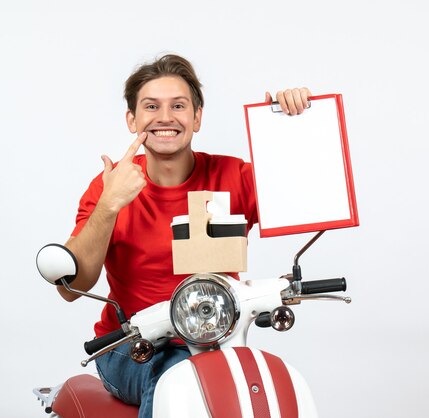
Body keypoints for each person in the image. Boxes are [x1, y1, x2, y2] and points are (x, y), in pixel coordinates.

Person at [57, 53, 311, 418]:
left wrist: (290, 127)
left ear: (197, 117)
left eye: (178, 105)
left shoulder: (232, 176)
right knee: (177, 372)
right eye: (151, 106)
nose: (165, 117)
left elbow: (307, 198)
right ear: (132, 119)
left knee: (262, 379)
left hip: (216, 339)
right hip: (130, 346)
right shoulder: (108, 188)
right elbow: (70, 286)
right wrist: (109, 206)